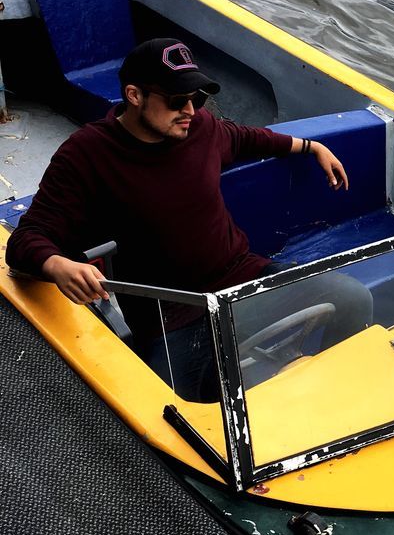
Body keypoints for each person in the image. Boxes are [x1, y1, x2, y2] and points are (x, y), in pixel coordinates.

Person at [5, 37, 372, 398]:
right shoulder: (86, 154)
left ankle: (333, 399)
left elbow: (249, 139)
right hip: (171, 316)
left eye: (198, 99)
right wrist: (57, 265)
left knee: (354, 298)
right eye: (178, 100)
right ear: (135, 96)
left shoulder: (201, 128)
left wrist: (311, 146)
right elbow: (25, 240)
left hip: (244, 277)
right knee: (175, 413)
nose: (191, 111)